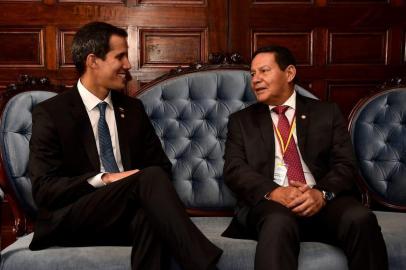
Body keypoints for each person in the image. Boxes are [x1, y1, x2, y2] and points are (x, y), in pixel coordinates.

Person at [28, 21, 222, 270]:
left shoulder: (132, 110)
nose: (128, 65)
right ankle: (204, 264)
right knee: (148, 178)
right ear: (92, 61)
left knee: (151, 216)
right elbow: (44, 189)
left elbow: (161, 166)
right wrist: (106, 179)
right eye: (120, 56)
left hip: (124, 216)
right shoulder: (51, 113)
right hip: (74, 216)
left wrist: (136, 185)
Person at [222, 45, 388, 270]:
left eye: (264, 71)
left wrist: (321, 193)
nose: (255, 79)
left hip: (321, 199)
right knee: (278, 222)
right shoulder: (241, 121)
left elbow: (346, 165)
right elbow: (234, 169)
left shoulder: (326, 112)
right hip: (271, 204)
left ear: (289, 73)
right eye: (252, 74)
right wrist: (274, 191)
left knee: (360, 219)